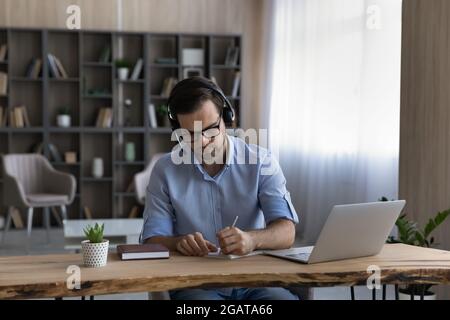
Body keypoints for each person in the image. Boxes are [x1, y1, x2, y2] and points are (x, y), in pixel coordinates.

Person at [141, 76, 299, 300]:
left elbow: (287, 231)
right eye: (191, 135)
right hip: (196, 285)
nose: (203, 141)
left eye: (211, 129)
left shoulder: (261, 162)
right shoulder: (165, 170)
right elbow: (152, 240)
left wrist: (252, 240)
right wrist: (178, 242)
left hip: (255, 280)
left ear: (227, 117)